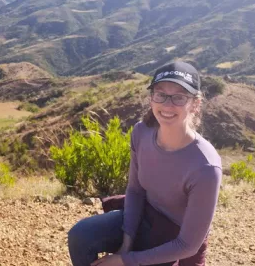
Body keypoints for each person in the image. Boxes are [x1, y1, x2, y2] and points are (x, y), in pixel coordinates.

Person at [67, 61, 222, 266]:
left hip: (175, 241)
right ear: (151, 98)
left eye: (179, 97)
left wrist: (126, 261)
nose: (167, 105)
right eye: (160, 94)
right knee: (81, 235)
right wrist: (126, 243)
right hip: (144, 218)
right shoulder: (142, 132)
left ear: (195, 104)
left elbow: (187, 245)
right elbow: (135, 190)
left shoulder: (205, 167)